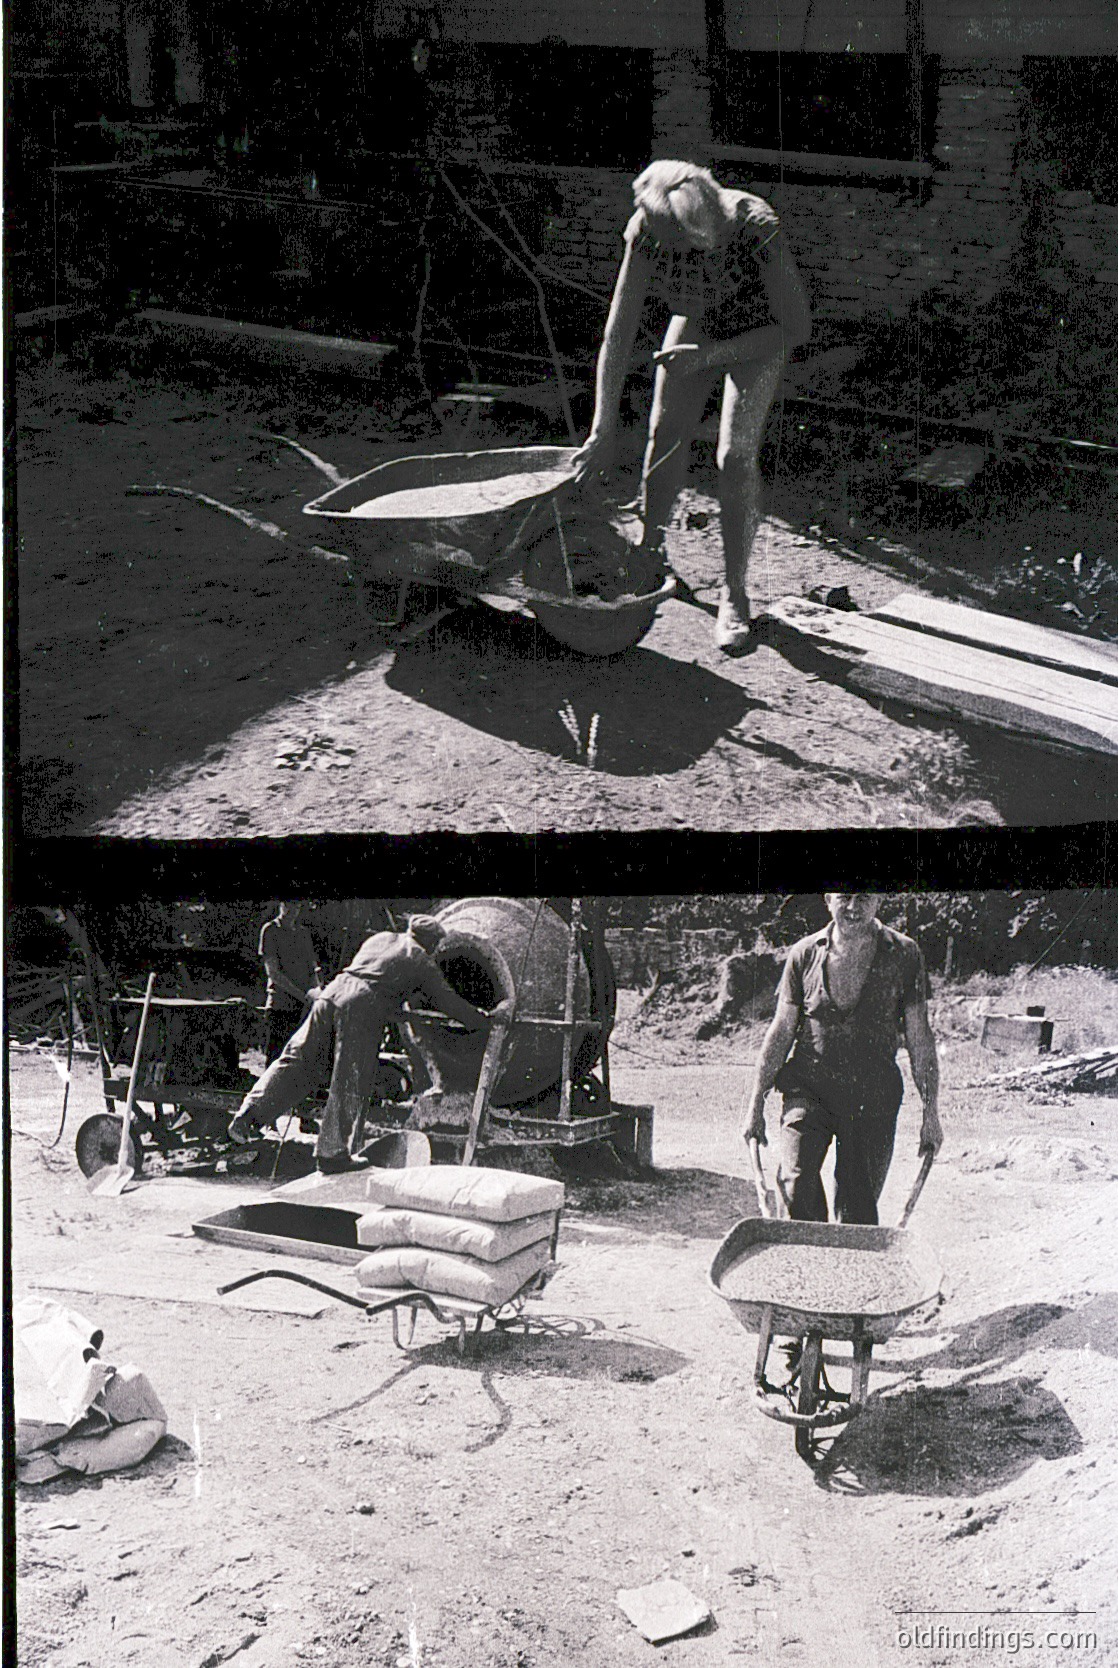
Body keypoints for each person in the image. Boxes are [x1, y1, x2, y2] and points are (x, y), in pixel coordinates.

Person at [572, 160, 812, 655]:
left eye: (674, 242)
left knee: (735, 456)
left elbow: (795, 327)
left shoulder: (755, 227)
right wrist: (603, 427)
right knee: (664, 434)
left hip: (758, 335)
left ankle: (734, 593)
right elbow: (618, 331)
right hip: (697, 321)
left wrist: (710, 358)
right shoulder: (647, 226)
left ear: (697, 231)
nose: (660, 245)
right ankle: (651, 553)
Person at [228, 915, 504, 1173]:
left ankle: (248, 1115)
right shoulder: (421, 959)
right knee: (351, 1077)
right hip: (363, 1006)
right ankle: (332, 1154)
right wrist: (486, 1020)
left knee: (296, 1058)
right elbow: (448, 1002)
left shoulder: (380, 938)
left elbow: (377, 972)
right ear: (430, 942)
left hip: (333, 993)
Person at [742, 894, 943, 1227]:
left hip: (872, 1099)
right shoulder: (804, 955)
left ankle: (849, 1272)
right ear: (827, 899)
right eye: (844, 896)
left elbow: (920, 1038)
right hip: (809, 1091)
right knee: (794, 1179)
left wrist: (930, 1114)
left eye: (864, 896)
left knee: (856, 1209)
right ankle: (811, 1263)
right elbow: (780, 1034)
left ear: (878, 899)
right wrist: (754, 1108)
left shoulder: (905, 954)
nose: (853, 907)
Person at [257, 902, 324, 1065]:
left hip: (303, 1008)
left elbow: (312, 969)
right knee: (276, 1060)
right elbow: (273, 973)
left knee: (300, 1060)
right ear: (281, 906)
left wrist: (316, 994)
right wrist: (302, 996)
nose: (291, 910)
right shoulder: (270, 930)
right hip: (280, 1006)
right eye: (288, 905)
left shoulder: (303, 933)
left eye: (296, 906)